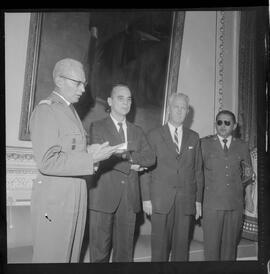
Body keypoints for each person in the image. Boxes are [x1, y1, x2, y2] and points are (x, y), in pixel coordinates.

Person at [29, 58, 119, 263]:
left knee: (70, 259)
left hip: (74, 199)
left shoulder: (69, 111)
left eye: (84, 84)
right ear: (59, 81)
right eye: (77, 83)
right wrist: (90, 158)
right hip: (55, 203)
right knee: (51, 259)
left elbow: (68, 151)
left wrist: (89, 150)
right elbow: (47, 161)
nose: (83, 89)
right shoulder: (47, 110)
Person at [88, 83, 155, 262]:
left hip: (129, 199)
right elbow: (101, 159)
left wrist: (129, 158)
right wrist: (131, 164)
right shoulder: (97, 127)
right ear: (109, 101)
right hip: (102, 197)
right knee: (99, 254)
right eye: (120, 98)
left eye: (129, 99)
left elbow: (150, 158)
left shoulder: (137, 131)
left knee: (124, 255)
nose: (126, 103)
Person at [140, 92, 204, 262]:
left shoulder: (194, 137)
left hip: (186, 200)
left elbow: (198, 171)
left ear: (187, 112)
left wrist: (198, 201)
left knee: (181, 249)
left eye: (183, 108)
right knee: (159, 248)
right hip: (160, 199)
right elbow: (145, 169)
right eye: (176, 107)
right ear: (169, 109)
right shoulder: (154, 135)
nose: (180, 111)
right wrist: (146, 198)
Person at [201, 110, 254, 261]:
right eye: (219, 122)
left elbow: (247, 175)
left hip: (234, 205)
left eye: (227, 123)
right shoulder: (204, 144)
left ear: (235, 126)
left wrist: (249, 199)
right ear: (215, 124)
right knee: (211, 249)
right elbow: (197, 174)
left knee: (230, 250)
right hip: (211, 205)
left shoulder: (242, 146)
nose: (223, 126)